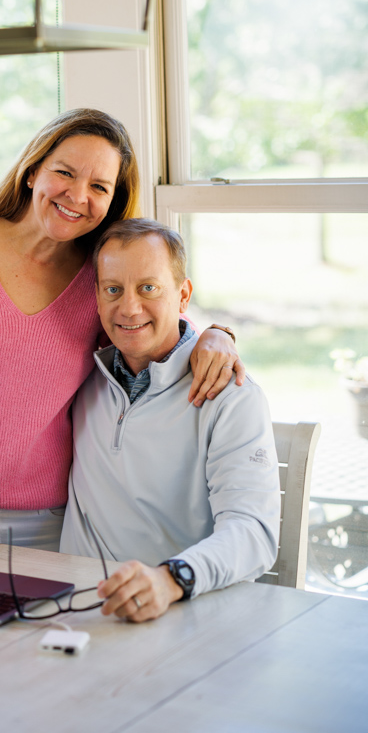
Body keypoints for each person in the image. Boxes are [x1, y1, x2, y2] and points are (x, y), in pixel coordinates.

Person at [0, 108, 243, 553]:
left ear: (112, 202)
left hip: (49, 526)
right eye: (65, 173)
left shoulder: (100, 280)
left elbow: (152, 325)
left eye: (99, 187)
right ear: (32, 170)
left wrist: (216, 334)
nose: (78, 195)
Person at [60, 218, 281, 621]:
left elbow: (253, 533)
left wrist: (171, 579)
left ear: (183, 295)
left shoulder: (231, 397)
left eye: (149, 288)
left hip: (182, 610)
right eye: (113, 289)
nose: (129, 308)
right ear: (97, 298)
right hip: (76, 611)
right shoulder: (80, 378)